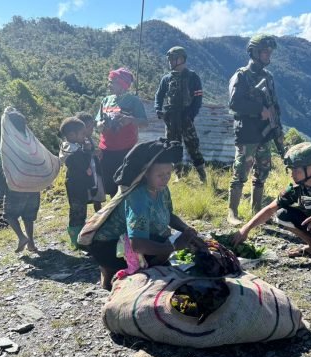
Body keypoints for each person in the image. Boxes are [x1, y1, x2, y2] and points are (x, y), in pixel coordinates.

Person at [80, 139, 204, 290]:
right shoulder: (138, 197)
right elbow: (137, 245)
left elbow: (168, 215)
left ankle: (123, 270)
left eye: (168, 173)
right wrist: (173, 246)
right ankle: (113, 270)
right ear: (146, 174)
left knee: (167, 242)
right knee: (163, 251)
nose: (165, 178)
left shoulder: (161, 189)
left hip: (130, 239)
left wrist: (186, 229)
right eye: (160, 174)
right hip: (108, 247)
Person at [227, 34, 283, 225]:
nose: (268, 55)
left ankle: (256, 212)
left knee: (262, 172)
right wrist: (260, 110)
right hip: (247, 133)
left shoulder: (269, 77)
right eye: (265, 51)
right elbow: (234, 103)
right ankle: (232, 213)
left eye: (270, 51)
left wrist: (277, 129)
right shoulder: (241, 75)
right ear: (254, 52)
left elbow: (274, 106)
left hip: (265, 134)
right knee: (241, 172)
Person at [154, 46, 207, 182]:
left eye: (173, 59)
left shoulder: (193, 77)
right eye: (169, 59)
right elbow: (159, 95)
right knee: (173, 146)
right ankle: (179, 176)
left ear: (182, 59)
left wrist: (191, 114)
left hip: (186, 117)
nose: (170, 62)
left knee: (193, 146)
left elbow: (198, 98)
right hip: (171, 118)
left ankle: (202, 177)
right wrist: (158, 109)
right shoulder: (166, 78)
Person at [96, 67, 148, 198]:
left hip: (125, 150)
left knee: (125, 183)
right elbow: (97, 122)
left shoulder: (134, 101)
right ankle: (114, 211)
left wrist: (131, 120)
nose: (109, 85)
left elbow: (144, 123)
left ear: (122, 84)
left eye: (112, 82)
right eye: (109, 81)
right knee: (109, 184)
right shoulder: (106, 100)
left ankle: (124, 210)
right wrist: (101, 125)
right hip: (105, 150)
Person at [58, 117, 97, 249]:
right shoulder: (71, 150)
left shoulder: (74, 147)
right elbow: (83, 164)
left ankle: (79, 238)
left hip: (78, 184)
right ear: (71, 135)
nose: (84, 136)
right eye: (82, 134)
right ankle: (76, 241)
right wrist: (86, 151)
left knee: (80, 210)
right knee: (77, 212)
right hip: (76, 185)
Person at [75, 111, 104, 212]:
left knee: (97, 196)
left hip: (95, 172)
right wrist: (92, 153)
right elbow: (80, 157)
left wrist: (96, 153)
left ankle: (99, 216)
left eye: (92, 126)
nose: (92, 129)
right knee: (86, 196)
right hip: (87, 175)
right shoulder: (77, 142)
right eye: (89, 127)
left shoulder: (90, 139)